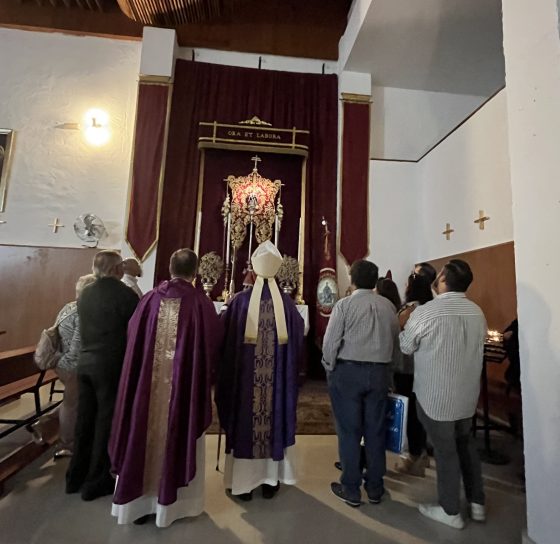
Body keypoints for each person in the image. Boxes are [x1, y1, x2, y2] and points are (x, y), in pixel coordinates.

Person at [110, 249, 221, 527]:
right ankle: (172, 508)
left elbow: (132, 339)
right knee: (177, 432)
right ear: (195, 272)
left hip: (145, 393)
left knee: (141, 428)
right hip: (181, 393)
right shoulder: (200, 303)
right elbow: (213, 345)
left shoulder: (148, 300)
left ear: (170, 268)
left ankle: (136, 506)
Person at [400, 259, 487, 529]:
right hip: (467, 396)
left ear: (444, 280)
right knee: (466, 445)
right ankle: (477, 503)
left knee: (446, 450)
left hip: (436, 396)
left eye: (439, 274)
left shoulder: (427, 312)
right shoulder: (476, 312)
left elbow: (405, 347)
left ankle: (450, 510)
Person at [215, 241, 304, 501]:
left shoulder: (239, 302)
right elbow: (298, 341)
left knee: (245, 419)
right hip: (276, 384)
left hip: (244, 384)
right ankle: (271, 479)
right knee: (272, 416)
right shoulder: (287, 305)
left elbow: (223, 342)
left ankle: (242, 484)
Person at [322, 260, 399, 507]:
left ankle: (351, 488)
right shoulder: (388, 306)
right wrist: (390, 372)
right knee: (375, 431)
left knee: (349, 431)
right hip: (379, 373)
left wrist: (329, 366)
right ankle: (376, 488)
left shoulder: (345, 305)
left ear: (352, 280)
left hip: (348, 372)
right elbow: (395, 343)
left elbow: (331, 342)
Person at [65, 250, 139, 501]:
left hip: (85, 364)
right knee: (105, 422)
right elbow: (135, 331)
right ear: (117, 269)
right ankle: (96, 481)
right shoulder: (125, 294)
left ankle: (75, 476)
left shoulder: (85, 292)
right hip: (110, 366)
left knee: (84, 419)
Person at [29, 274, 96, 459]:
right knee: (71, 403)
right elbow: (76, 348)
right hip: (73, 365)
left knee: (76, 400)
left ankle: (43, 424)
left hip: (63, 363)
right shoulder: (84, 312)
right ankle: (67, 444)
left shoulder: (69, 307)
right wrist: (69, 370)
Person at [393, 271, 433, 476]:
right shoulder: (429, 307)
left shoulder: (412, 309)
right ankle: (422, 451)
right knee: (418, 410)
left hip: (407, 366)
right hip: (422, 367)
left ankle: (412, 454)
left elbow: (399, 331)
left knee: (408, 412)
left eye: (408, 284)